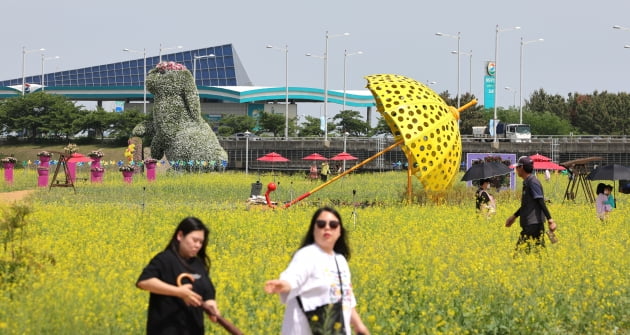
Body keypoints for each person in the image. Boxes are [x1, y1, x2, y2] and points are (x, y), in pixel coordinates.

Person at [264, 207, 370, 335]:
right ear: (313, 230)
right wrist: (283, 284)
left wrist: (359, 326)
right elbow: (294, 277)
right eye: (321, 224)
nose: (327, 228)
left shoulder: (340, 260)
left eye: (333, 224)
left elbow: (345, 299)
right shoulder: (306, 255)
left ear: (339, 231)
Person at [137, 217, 220, 335]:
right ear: (180, 236)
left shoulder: (198, 264)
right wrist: (178, 292)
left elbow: (207, 294)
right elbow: (144, 282)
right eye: (194, 240)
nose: (198, 245)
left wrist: (211, 307)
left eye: (201, 242)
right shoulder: (164, 259)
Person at [505, 156, 557, 253]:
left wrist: (550, 220)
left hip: (533, 225)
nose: (516, 170)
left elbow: (540, 201)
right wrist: (514, 216)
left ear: (522, 168)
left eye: (517, 167)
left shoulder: (533, 182)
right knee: (538, 253)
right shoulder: (527, 182)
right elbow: (527, 204)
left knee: (518, 253)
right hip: (531, 224)